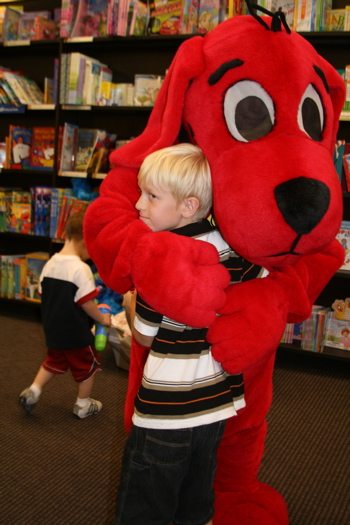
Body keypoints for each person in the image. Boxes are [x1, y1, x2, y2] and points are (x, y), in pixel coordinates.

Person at [115, 143, 266, 525]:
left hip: (166, 411)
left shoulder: (160, 257)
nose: (138, 205)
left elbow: (145, 337)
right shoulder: (229, 246)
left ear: (187, 206)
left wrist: (133, 306)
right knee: (196, 502)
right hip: (216, 403)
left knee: (144, 506)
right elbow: (260, 279)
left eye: (151, 195)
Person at [19, 211, 112, 419]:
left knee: (53, 361)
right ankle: (83, 405)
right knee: (89, 366)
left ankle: (34, 390)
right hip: (76, 333)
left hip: (53, 331)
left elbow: (48, 295)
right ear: (86, 240)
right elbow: (87, 304)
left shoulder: (49, 264)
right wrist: (102, 319)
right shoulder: (81, 269)